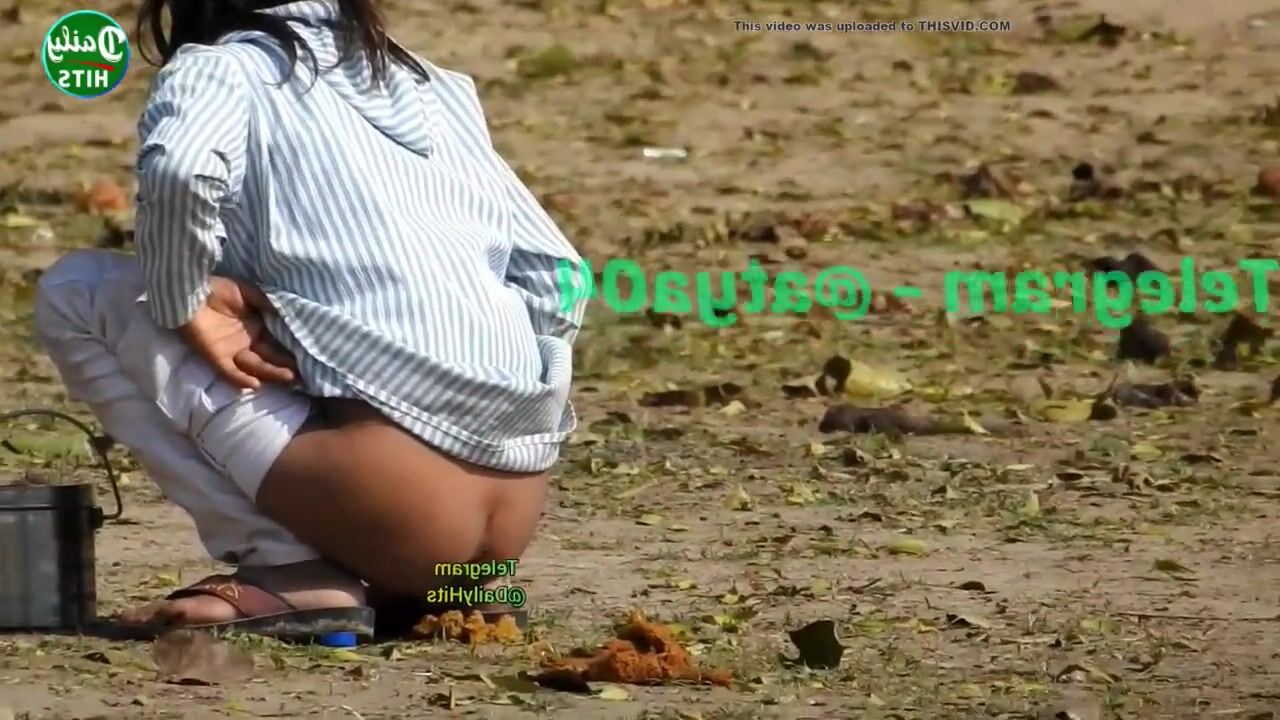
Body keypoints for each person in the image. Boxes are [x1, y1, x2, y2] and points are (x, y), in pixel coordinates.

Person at [31, 0, 586, 640]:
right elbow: (559, 271)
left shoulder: (222, 69)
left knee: (77, 290)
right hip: (501, 539)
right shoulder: (434, 86)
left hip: (394, 515)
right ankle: (440, 586)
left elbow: (181, 171)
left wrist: (185, 300)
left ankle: (290, 571)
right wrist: (499, 399)